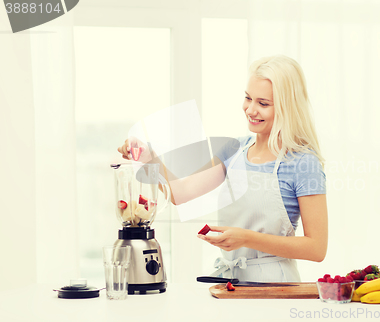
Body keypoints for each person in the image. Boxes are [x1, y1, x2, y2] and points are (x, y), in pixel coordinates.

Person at [118, 55, 328, 282]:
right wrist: (149, 157)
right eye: (248, 98)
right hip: (230, 282)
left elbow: (316, 248)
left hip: (275, 285)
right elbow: (180, 193)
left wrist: (246, 238)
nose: (250, 109)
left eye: (263, 103)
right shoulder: (234, 150)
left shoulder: (303, 163)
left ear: (288, 107)